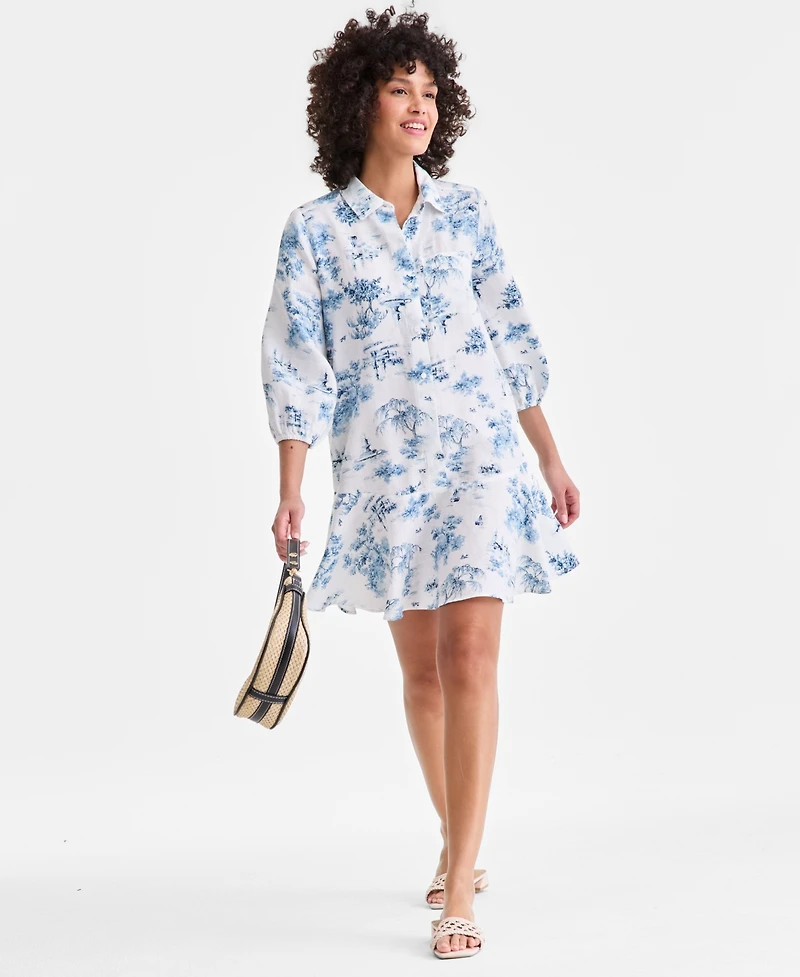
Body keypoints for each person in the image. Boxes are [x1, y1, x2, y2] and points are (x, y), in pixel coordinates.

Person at [260, 6, 581, 959]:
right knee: (423, 674)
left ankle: (462, 881)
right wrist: (291, 488)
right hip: (383, 475)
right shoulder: (315, 233)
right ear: (359, 101)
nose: (419, 106)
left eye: (431, 91)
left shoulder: (467, 214)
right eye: (400, 88)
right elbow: (296, 365)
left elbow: (510, 333)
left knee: (472, 655)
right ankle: (454, 834)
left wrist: (549, 454)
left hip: (480, 456)